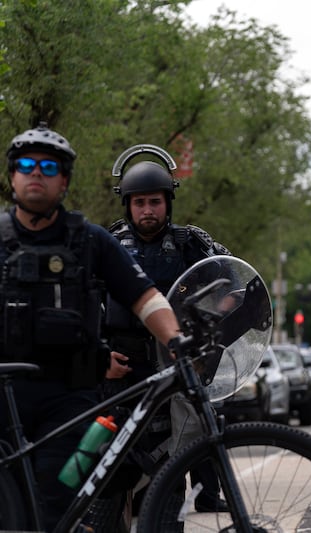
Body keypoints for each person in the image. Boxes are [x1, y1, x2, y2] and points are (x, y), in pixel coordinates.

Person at [0, 122, 182, 531]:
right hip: (4, 396)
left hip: (72, 403)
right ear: (12, 175)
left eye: (49, 168)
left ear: (63, 181)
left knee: (56, 502)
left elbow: (145, 297)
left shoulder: (92, 241)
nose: (36, 173)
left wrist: (176, 339)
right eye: (26, 164)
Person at [86, 144, 231, 528]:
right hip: (118, 381)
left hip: (172, 380)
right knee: (107, 483)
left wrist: (202, 356)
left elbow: (233, 291)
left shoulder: (194, 246)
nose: (147, 210)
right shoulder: (105, 247)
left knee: (168, 478)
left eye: (154, 201)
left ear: (168, 203)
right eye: (139, 203)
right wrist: (99, 358)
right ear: (127, 205)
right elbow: (83, 306)